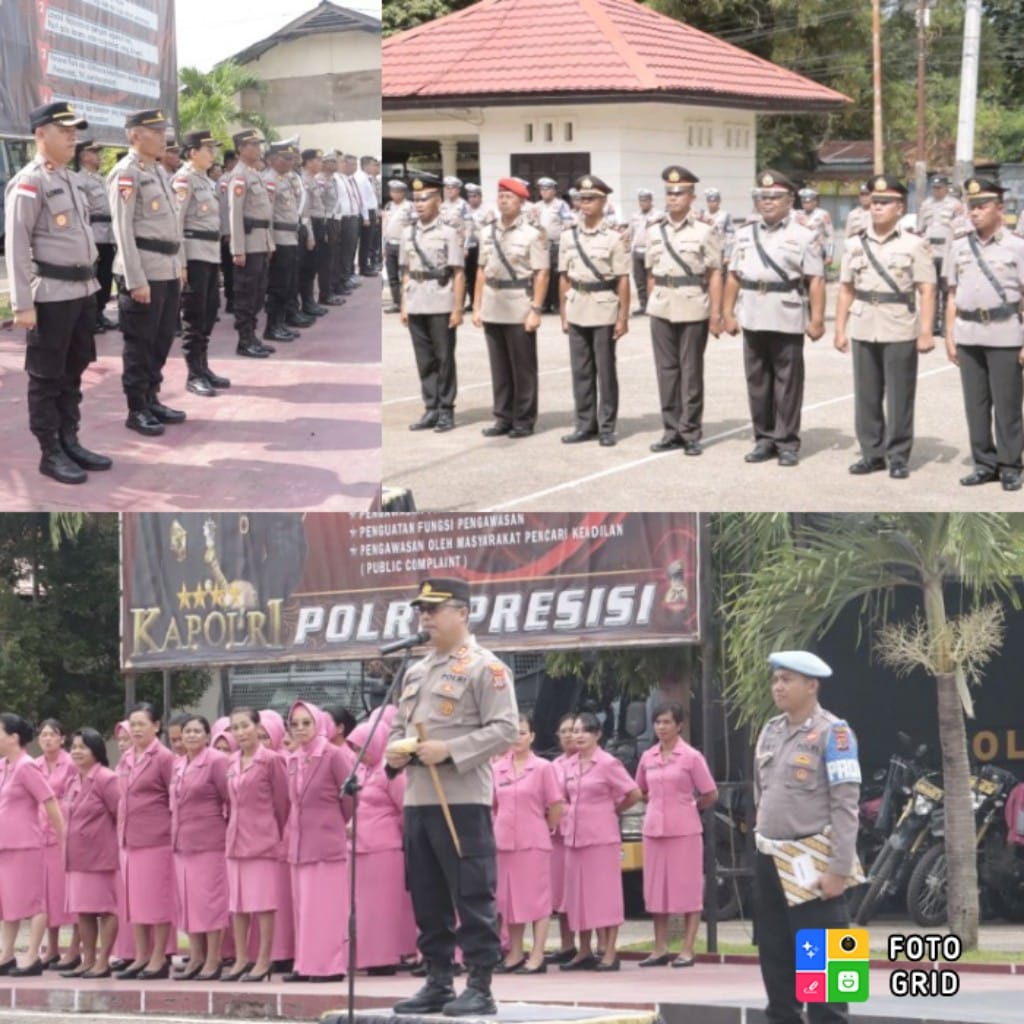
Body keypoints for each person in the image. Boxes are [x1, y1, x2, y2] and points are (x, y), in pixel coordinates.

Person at [386, 577, 519, 1016]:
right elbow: (399, 726)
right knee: (426, 894)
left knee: (472, 892)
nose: (424, 617)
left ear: (462, 613)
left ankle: (480, 984)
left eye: (434, 609)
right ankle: (438, 980)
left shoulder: (487, 667)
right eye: (421, 610)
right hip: (417, 799)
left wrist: (451, 751)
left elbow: (505, 730)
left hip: (461, 799)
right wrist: (395, 749)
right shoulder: (416, 670)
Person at [4, 101, 110, 484]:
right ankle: (50, 451)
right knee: (47, 377)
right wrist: (22, 304)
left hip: (83, 291)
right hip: (50, 296)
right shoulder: (30, 182)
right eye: (64, 129)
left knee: (74, 370)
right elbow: (16, 247)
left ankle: (70, 440)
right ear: (39, 134)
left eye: (74, 130)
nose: (72, 136)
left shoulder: (71, 179)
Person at [753, 651, 861, 1024]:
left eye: (787, 680)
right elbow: (762, 791)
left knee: (826, 977)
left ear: (812, 686)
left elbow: (846, 806)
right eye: (776, 679)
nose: (778, 687)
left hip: (813, 863)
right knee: (776, 961)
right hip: (770, 859)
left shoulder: (836, 733)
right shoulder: (771, 730)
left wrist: (839, 870)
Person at [833, 175, 936, 480]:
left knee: (900, 395)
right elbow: (846, 289)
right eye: (874, 202)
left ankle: (898, 455)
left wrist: (926, 331)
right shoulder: (854, 244)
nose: (876, 207)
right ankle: (872, 453)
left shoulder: (915, 244)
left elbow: (927, 290)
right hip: (864, 324)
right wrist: (840, 328)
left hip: (899, 324)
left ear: (900, 207)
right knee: (866, 394)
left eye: (884, 202)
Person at [723, 170, 826, 467]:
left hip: (787, 313)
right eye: (762, 197)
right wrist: (727, 313)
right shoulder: (744, 234)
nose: (767, 202)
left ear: (790, 200)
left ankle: (787, 442)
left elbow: (816, 280)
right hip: (753, 313)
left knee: (788, 383)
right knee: (757, 382)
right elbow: (733, 276)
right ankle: (763, 439)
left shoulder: (804, 235)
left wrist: (817, 319)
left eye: (774, 197)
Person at [109, 108, 187, 438]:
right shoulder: (126, 173)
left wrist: (180, 264)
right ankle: (136, 408)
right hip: (143, 271)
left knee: (162, 338)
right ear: (135, 136)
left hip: (166, 270)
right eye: (156, 132)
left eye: (163, 131)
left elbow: (173, 225)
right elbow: (122, 229)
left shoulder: (158, 172)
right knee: (140, 342)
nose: (163, 137)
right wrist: (135, 278)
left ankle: (152, 398)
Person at [944, 176, 1024, 491]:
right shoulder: (960, 246)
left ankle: (1010, 464)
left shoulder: (1017, 246)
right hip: (968, 334)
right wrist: (949, 336)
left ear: (999, 209)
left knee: (1006, 404)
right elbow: (951, 294)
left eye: (982, 205)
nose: (975, 212)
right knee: (975, 404)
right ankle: (984, 463)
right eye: (971, 206)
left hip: (1005, 334)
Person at [644, 165, 723, 456]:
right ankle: (671, 430)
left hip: (692, 304)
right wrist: (651, 301)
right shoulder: (654, 231)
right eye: (669, 192)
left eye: (679, 193)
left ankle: (690, 431)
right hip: (662, 304)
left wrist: (716, 314)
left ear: (692, 196)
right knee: (666, 371)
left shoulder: (705, 231)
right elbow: (649, 272)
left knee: (690, 371)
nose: (673, 197)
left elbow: (715, 273)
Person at [635, 702, 717, 968]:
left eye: (667, 722)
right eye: (658, 722)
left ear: (679, 725)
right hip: (654, 831)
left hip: (685, 831)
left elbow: (709, 793)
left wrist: (690, 806)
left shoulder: (691, 757)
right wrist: (656, 803)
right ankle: (659, 949)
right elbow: (639, 789)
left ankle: (687, 949)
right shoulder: (648, 756)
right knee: (657, 890)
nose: (662, 727)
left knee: (687, 889)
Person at [559, 712, 641, 972]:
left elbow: (634, 793)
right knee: (578, 894)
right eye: (575, 731)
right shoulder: (570, 765)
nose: (578, 736)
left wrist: (614, 809)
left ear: (597, 735)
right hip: (574, 837)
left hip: (601, 837)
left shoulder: (607, 763)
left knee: (604, 894)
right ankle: (583, 950)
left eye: (585, 731)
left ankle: (609, 951)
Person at [284, 700, 356, 983]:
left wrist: (335, 824)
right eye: (295, 723)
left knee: (326, 908)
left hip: (326, 842)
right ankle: (305, 965)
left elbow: (350, 798)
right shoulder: (294, 758)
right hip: (300, 844)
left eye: (306, 722)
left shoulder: (333, 755)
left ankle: (328, 966)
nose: (300, 729)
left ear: (318, 723)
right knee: (304, 908)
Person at [472, 177, 549, 439]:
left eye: (509, 197)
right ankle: (503, 417)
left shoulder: (533, 234)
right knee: (499, 366)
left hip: (519, 302)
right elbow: (481, 270)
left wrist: (536, 310)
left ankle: (524, 419)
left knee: (523, 367)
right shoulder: (487, 232)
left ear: (521, 202)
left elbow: (541, 274)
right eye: (501, 197)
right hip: (494, 302)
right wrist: (477, 305)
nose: (504, 201)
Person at [559, 175, 631, 447]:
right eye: (581, 199)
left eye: (590, 199)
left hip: (603, 306)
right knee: (581, 370)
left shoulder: (613, 238)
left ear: (603, 202)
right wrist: (564, 313)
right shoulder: (568, 236)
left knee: (605, 370)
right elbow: (564, 276)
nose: (584, 204)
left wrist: (623, 317)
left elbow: (623, 279)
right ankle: (584, 423)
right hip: (577, 305)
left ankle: (607, 426)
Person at [346, 705, 417, 974]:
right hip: (359, 848)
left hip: (384, 849)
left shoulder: (392, 772)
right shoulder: (362, 773)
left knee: (383, 907)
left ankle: (385, 958)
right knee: (364, 908)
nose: (357, 754)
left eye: (362, 748)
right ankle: (366, 957)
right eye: (355, 749)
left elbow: (404, 809)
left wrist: (387, 832)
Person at [492, 713, 563, 974]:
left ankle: (537, 954)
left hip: (533, 841)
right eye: (513, 732)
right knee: (509, 900)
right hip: (503, 844)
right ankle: (515, 953)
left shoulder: (544, 767)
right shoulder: (497, 768)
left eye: (522, 732)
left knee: (537, 900)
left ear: (532, 736)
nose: (517, 738)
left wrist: (546, 827)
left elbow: (556, 804)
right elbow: (493, 805)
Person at [224, 708, 290, 983]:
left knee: (263, 904)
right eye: (235, 728)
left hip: (261, 839)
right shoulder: (232, 762)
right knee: (237, 905)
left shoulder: (271, 761)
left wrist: (271, 830)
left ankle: (263, 960)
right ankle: (241, 959)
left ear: (256, 726)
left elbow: (282, 803)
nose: (240, 732)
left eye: (244, 726)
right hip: (235, 839)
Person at [114, 701, 177, 980]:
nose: (136, 729)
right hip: (129, 839)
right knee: (135, 902)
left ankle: (158, 956)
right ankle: (140, 955)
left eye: (142, 723)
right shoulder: (127, 758)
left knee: (157, 901)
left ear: (156, 726)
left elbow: (174, 798)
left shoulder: (164, 758)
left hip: (156, 839)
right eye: (133, 724)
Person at [0, 713, 64, 976]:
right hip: (5, 844)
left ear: (13, 737)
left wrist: (64, 839)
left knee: (34, 902)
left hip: (26, 844)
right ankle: (7, 954)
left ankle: (32, 955)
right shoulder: (4, 765)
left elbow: (49, 802)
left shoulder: (27, 766)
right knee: (8, 903)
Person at [401, 172, 465, 433]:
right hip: (416, 301)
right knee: (424, 360)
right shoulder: (408, 232)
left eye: (424, 198)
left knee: (444, 358)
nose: (419, 204)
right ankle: (431, 408)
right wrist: (404, 304)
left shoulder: (449, 233)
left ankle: (446, 410)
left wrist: (458, 308)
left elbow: (458, 272)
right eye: (415, 199)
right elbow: (405, 271)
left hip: (441, 302)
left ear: (438, 200)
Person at [170, 715, 230, 981]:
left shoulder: (216, 760)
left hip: (209, 842)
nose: (191, 735)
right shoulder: (180, 764)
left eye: (197, 731)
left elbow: (230, 797)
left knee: (209, 902)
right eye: (187, 731)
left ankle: (213, 958)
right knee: (189, 903)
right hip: (183, 843)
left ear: (207, 735)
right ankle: (196, 956)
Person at [172, 129, 231, 397]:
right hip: (193, 253)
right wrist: (181, 263)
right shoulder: (184, 180)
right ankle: (193, 374)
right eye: (208, 149)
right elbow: (176, 224)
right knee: (194, 317)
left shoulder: (205, 181)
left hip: (209, 252)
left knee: (209, 312)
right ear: (192, 152)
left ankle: (204, 367)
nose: (213, 154)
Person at [63, 727, 121, 978]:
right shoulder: (73, 780)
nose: (76, 751)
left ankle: (103, 961)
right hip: (77, 856)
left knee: (106, 909)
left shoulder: (107, 778)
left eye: (82, 747)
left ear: (96, 750)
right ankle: (87, 959)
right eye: (74, 747)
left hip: (101, 856)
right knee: (83, 910)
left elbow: (119, 813)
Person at [35, 718, 80, 970]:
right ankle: (51, 947)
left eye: (53, 734)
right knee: (47, 893)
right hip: (41, 833)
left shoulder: (71, 763)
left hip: (65, 829)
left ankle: (75, 948)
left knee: (69, 892)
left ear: (62, 738)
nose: (48, 738)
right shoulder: (35, 765)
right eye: (43, 735)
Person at [228, 129, 274, 358]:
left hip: (261, 242)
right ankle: (244, 340)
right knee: (246, 294)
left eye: (258, 144)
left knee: (258, 293)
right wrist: (238, 249)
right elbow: (235, 215)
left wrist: (270, 243)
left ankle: (253, 336)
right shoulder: (239, 176)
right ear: (240, 149)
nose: (258, 149)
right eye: (252, 144)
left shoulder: (255, 174)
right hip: (248, 244)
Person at [544, 714, 578, 965]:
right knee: (560, 892)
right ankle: (567, 944)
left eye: (573, 730)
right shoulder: (553, 765)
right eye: (563, 731)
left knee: (581, 891)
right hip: (556, 834)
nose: (568, 735)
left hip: (580, 833)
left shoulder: (592, 762)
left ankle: (589, 945)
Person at [75, 140, 117, 333]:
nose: (97, 155)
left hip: (107, 235)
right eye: (93, 152)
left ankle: (100, 312)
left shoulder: (101, 179)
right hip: (94, 234)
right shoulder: (80, 180)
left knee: (105, 277)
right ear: (83, 156)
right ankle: (90, 318)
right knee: (93, 277)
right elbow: (83, 212)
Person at [918, 175, 964, 335]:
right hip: (930, 252)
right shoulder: (925, 205)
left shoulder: (955, 205)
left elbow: (960, 227)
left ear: (946, 188)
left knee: (946, 289)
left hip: (947, 252)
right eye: (934, 188)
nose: (936, 191)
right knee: (931, 289)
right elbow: (920, 228)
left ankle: (946, 325)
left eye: (939, 188)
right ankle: (932, 325)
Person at [534, 177, 572, 313]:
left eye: (547, 189)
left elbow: (568, 223)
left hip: (556, 244)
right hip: (540, 246)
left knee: (556, 275)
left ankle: (556, 304)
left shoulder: (561, 205)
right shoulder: (537, 206)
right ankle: (544, 303)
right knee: (542, 273)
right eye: (542, 189)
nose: (544, 192)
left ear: (554, 190)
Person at [383, 179, 410, 312]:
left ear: (403, 193)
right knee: (392, 276)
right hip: (390, 244)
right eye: (392, 191)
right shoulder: (388, 206)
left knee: (407, 275)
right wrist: (383, 246)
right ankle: (396, 303)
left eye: (398, 191)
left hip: (404, 245)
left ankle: (408, 303)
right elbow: (385, 226)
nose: (395, 194)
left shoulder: (410, 206)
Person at [628, 188, 655, 315]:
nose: (642, 203)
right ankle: (643, 304)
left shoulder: (657, 215)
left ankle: (652, 305)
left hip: (650, 250)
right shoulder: (635, 216)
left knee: (651, 278)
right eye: (641, 201)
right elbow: (630, 232)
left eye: (645, 200)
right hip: (637, 251)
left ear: (650, 201)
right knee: (639, 280)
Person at [796, 188, 834, 264]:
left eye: (808, 202)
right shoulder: (798, 214)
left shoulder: (823, 214)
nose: (806, 205)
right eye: (804, 202)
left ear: (815, 202)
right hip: (801, 253)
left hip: (817, 252)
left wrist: (830, 255)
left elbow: (830, 236)